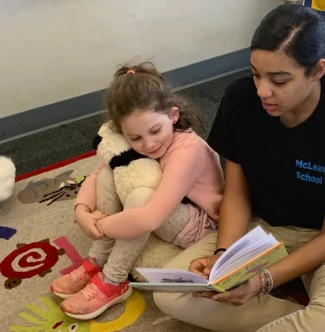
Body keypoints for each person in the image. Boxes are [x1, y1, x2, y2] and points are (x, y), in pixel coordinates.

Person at [153, 4, 325, 332]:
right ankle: (314, 320)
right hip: (266, 228)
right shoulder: (240, 99)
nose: (263, 90)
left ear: (318, 70)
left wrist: (262, 282)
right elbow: (236, 194)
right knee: (171, 295)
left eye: (279, 80)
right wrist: (224, 259)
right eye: (255, 74)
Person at [49, 62, 225, 320]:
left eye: (155, 130)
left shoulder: (187, 150)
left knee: (143, 196)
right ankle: (98, 259)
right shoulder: (138, 135)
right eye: (135, 138)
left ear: (173, 116)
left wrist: (101, 226)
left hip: (202, 227)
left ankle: (114, 279)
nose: (149, 144)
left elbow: (151, 216)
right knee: (114, 170)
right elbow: (99, 173)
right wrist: (83, 211)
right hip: (173, 212)